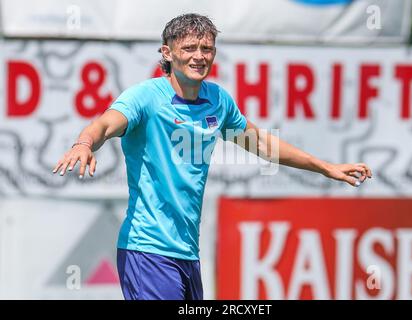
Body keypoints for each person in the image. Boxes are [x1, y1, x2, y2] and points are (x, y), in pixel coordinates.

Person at [53, 13, 372, 300]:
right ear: (168, 53)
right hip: (147, 251)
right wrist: (84, 143)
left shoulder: (217, 100)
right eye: (190, 47)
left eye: (206, 48)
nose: (199, 56)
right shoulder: (146, 97)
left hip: (186, 255)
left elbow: (261, 144)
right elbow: (104, 124)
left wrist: (326, 167)